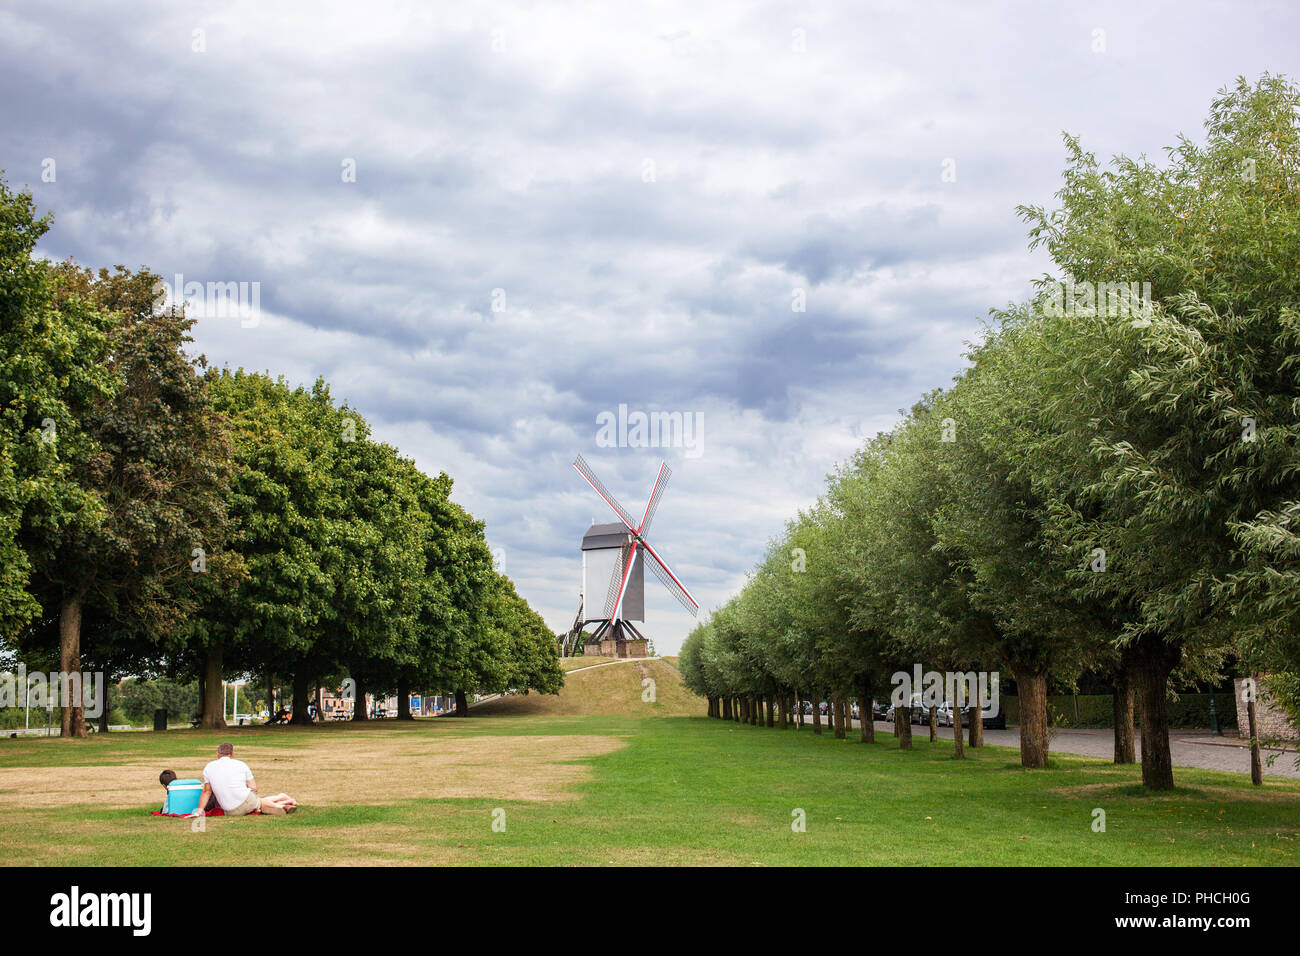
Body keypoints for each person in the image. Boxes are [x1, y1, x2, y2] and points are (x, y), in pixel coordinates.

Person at [195, 742, 298, 817]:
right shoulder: (241, 764)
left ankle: (283, 802)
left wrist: (199, 811)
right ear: (232, 754)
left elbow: (206, 792)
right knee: (258, 802)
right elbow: (254, 788)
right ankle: (282, 802)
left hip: (230, 811)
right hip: (246, 801)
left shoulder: (208, 767)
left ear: (217, 754)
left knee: (256, 803)